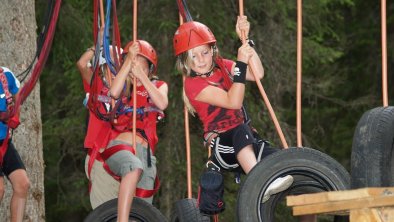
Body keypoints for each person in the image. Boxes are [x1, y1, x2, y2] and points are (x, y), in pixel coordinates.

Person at [173, 16, 293, 204]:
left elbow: (257, 73)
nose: (200, 60)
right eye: (193, 56)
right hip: (224, 145)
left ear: (212, 50)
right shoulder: (193, 85)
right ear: (185, 61)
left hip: (247, 140)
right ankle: (258, 182)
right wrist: (241, 63)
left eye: (204, 52)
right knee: (239, 129)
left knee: (285, 162)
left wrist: (246, 42)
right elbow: (234, 101)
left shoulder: (223, 66)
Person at [77, 38, 168, 222]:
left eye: (143, 68)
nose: (137, 72)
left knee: (144, 208)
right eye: (134, 68)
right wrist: (128, 62)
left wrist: (142, 77)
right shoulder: (125, 89)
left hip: (147, 154)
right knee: (133, 168)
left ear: (150, 70)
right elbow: (113, 92)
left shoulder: (158, 86)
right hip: (121, 147)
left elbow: (162, 103)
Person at [0, 66, 30, 222]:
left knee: (22, 184)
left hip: (3, 142)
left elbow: (18, 94)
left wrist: (14, 113)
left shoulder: (5, 74)